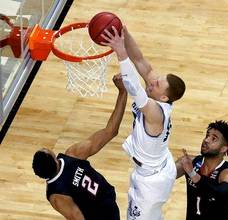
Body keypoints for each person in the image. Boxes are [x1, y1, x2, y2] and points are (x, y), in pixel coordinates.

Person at [101, 26, 186, 220]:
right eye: (157, 79)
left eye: (157, 84)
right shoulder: (158, 93)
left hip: (151, 180)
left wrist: (119, 50)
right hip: (156, 166)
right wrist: (123, 33)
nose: (152, 82)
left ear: (164, 97)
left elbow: (134, 88)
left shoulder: (156, 113)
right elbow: (139, 60)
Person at [32, 74, 127, 220]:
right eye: (46, 149)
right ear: (53, 157)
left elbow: (111, 132)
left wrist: (122, 93)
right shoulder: (72, 155)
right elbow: (110, 131)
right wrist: (122, 92)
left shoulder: (56, 194)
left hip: (108, 205)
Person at [176, 120, 228, 220]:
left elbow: (219, 194)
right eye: (207, 136)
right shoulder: (190, 162)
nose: (206, 140)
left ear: (223, 148)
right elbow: (164, 175)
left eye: (213, 139)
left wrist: (192, 174)